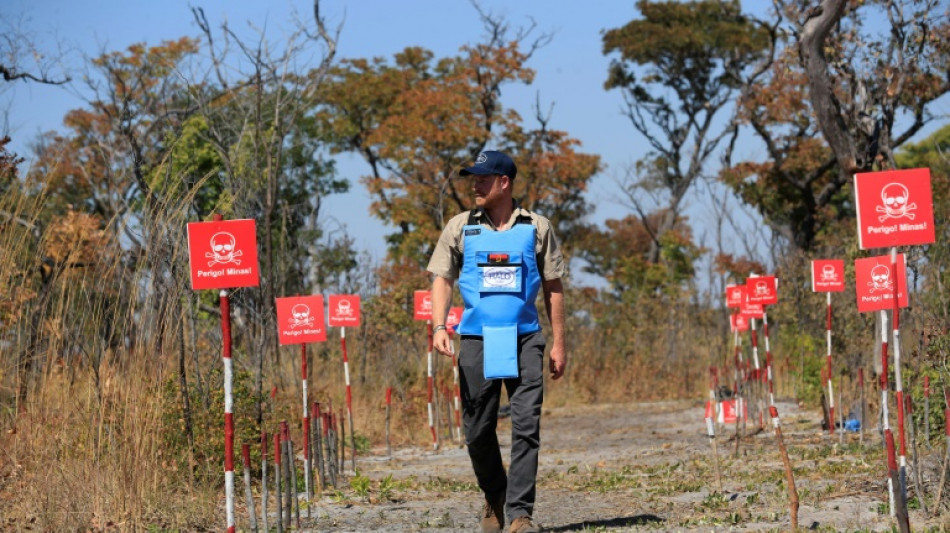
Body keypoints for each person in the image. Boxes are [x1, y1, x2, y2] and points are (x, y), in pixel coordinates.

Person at [427, 150, 566, 533]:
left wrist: (558, 344)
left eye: (483, 178)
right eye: (473, 178)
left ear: (504, 182)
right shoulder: (460, 227)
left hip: (525, 341)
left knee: (526, 427)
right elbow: (441, 278)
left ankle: (520, 514)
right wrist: (439, 326)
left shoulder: (537, 227)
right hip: (476, 341)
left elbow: (554, 287)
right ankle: (495, 494)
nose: (475, 184)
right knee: (476, 431)